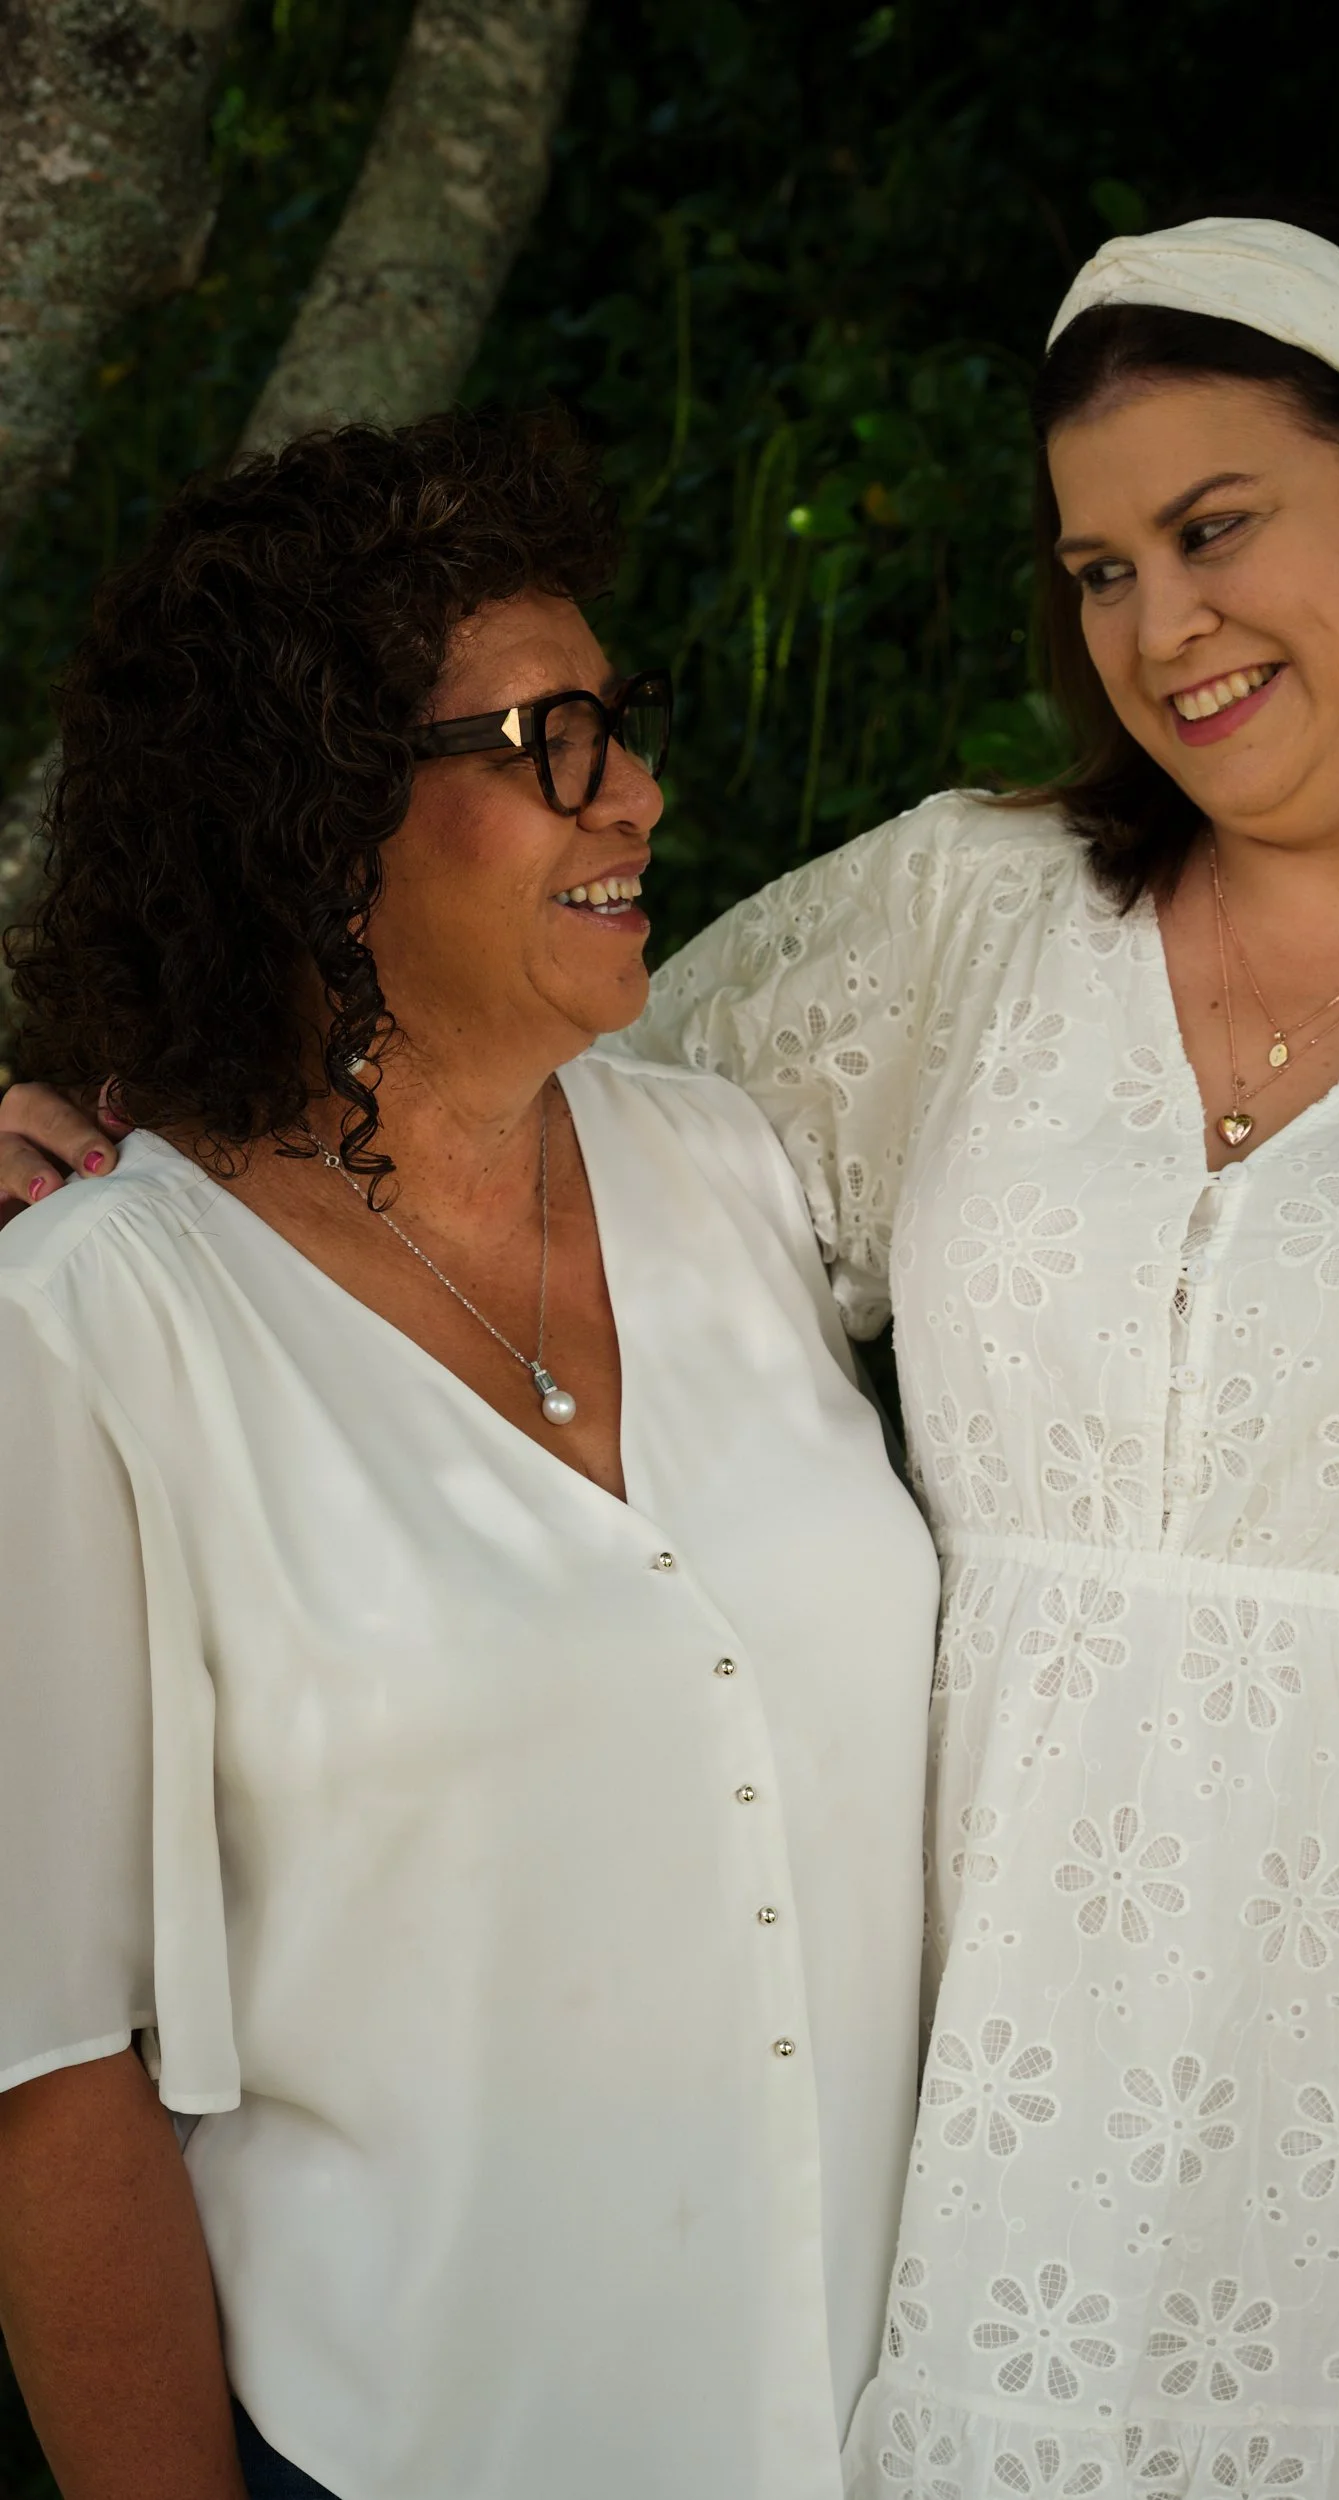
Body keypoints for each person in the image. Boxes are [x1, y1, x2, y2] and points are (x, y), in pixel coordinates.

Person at [7, 205, 1339, 2498]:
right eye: (1093, 569)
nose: (1158, 628)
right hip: (987, 2267)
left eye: (1209, 528)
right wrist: (106, 1128)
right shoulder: (967, 920)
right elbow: (434, 1080)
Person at [0, 407, 942, 2500]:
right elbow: (47, 2078)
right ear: (314, 819)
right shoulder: (96, 1323)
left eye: (625, 721)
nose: (640, 792)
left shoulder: (725, 1169)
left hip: (910, 2427)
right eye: (549, 741)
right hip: (406, 2441)